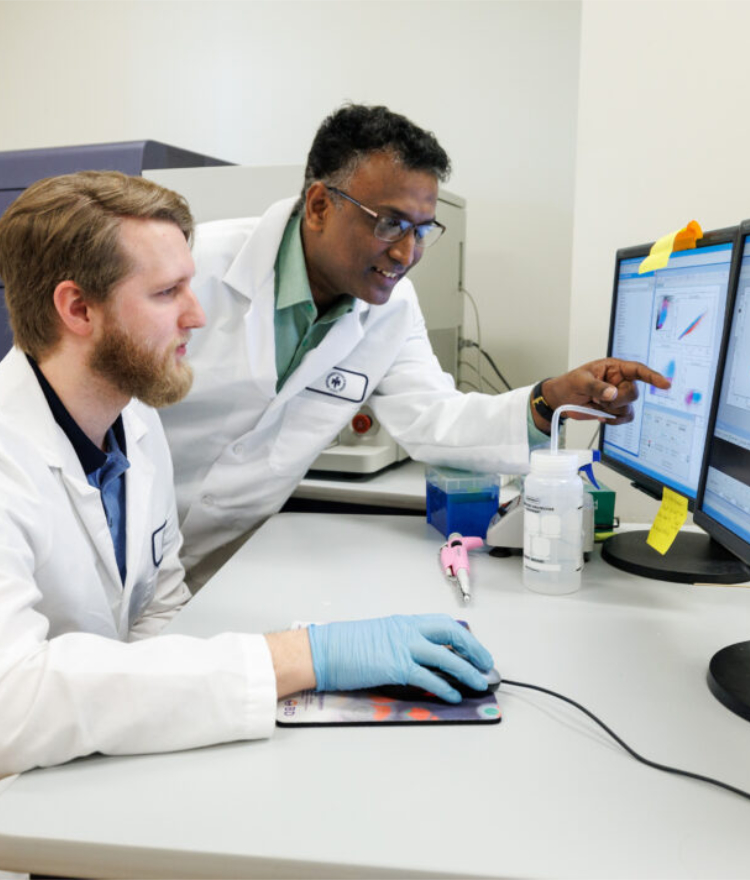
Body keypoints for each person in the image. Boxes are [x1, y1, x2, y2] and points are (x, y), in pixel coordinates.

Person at [0, 171, 495, 777]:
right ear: (78, 308)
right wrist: (298, 658)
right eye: (167, 293)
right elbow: (12, 705)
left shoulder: (132, 419)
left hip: (94, 766)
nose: (197, 315)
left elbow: (158, 605)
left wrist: (212, 699)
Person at [160, 104, 670, 585]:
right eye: (390, 224)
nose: (407, 253)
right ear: (319, 206)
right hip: (118, 556)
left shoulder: (392, 308)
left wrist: (547, 401)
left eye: (422, 231)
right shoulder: (190, 266)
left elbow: (433, 420)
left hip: (227, 566)